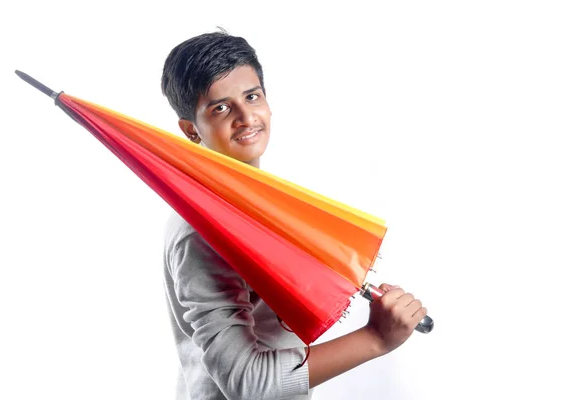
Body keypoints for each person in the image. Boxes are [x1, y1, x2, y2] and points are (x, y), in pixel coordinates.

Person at [160, 30, 427, 400]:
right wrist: (376, 339)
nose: (245, 117)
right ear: (191, 130)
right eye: (220, 108)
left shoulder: (262, 199)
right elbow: (247, 383)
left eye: (252, 97)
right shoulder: (202, 233)